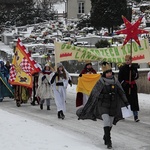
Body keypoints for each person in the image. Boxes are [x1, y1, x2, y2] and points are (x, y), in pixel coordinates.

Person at [77, 62, 129, 149]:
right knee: (106, 120)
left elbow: (121, 92)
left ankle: (106, 135)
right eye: (107, 72)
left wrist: (126, 102)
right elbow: (94, 93)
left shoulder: (116, 81)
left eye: (110, 72)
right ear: (105, 73)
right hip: (103, 105)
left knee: (110, 123)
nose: (109, 74)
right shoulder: (100, 82)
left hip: (113, 105)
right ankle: (109, 141)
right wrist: (103, 95)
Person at [118, 55, 140, 122]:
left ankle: (135, 116)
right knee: (125, 100)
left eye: (128, 60)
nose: (127, 61)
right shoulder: (122, 68)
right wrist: (125, 84)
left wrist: (133, 72)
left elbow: (136, 76)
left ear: (131, 61)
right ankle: (122, 115)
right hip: (126, 86)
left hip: (132, 86)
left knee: (134, 101)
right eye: (126, 60)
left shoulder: (134, 67)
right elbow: (120, 78)